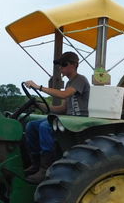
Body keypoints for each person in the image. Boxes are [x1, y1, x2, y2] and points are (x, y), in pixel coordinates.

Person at [23, 51, 90, 183]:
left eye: (64, 64)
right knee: (31, 125)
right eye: (60, 65)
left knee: (45, 127)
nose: (61, 68)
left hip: (79, 121)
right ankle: (35, 163)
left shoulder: (80, 80)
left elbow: (64, 95)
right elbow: (63, 108)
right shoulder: (68, 83)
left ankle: (45, 168)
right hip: (68, 119)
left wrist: (39, 87)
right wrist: (42, 106)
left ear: (74, 65)